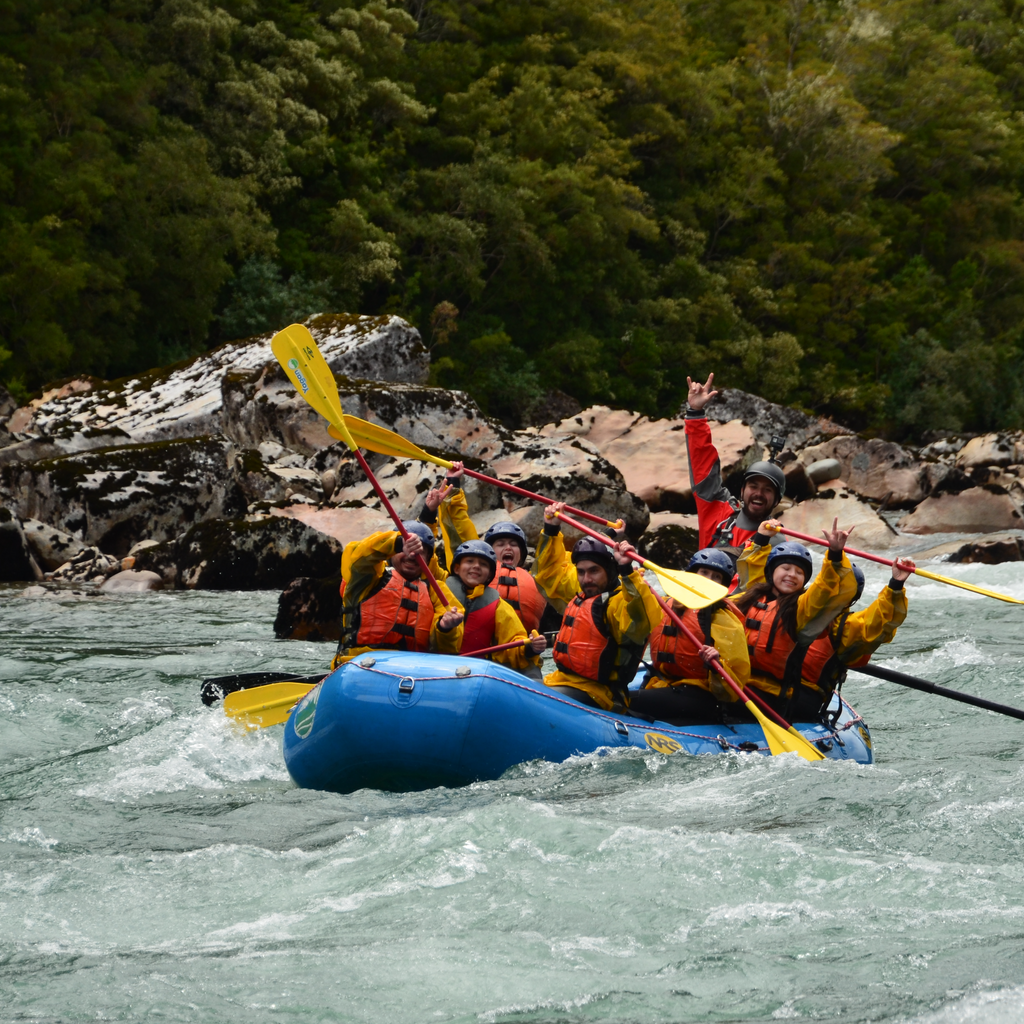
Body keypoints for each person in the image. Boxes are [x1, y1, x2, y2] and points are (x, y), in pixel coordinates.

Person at [535, 504, 661, 711]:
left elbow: (642, 617)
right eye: (582, 572)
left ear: (611, 572)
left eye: (594, 571)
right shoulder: (584, 592)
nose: (587, 579)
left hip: (600, 694)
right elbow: (549, 574)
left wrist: (627, 571)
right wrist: (551, 529)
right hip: (562, 680)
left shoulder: (618, 603)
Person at [731, 517, 859, 720]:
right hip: (737, 684)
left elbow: (824, 589)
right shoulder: (751, 597)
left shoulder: (802, 610)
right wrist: (762, 538)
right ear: (772, 571)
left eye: (799, 572)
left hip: (773, 697)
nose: (792, 575)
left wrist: (834, 553)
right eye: (786, 568)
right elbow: (751, 568)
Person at [420, 462, 550, 634]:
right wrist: (453, 484)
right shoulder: (468, 575)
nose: (507, 548)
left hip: (515, 650)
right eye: (500, 544)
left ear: (523, 554)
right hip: (469, 651)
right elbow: (458, 529)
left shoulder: (538, 580)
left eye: (513, 544)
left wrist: (551, 528)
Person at [629, 548, 750, 723]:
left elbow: (734, 682)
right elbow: (635, 615)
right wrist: (630, 577)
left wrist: (718, 664)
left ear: (723, 585)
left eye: (716, 576)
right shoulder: (665, 604)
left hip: (700, 693)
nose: (708, 580)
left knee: (627, 700)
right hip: (662, 683)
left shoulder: (723, 618)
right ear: (692, 575)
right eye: (704, 572)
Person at [332, 521, 463, 670]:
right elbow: (356, 554)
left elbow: (448, 650)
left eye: (421, 552)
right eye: (406, 549)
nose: (412, 555)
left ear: (428, 559)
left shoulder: (437, 591)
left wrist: (445, 629)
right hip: (359, 666)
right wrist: (397, 542)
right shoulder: (368, 577)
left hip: (411, 671)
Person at [684, 372, 786, 553]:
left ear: (777, 500)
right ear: (742, 490)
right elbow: (702, 462)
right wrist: (695, 414)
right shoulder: (719, 510)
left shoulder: (777, 543)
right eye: (753, 486)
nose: (759, 494)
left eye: (768, 490)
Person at [445, 539, 547, 673]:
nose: (476, 566)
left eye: (483, 564)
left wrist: (529, 647)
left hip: (474, 670)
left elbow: (513, 641)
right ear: (456, 568)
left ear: (489, 576)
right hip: (436, 665)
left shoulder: (499, 606)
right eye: (470, 561)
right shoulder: (438, 590)